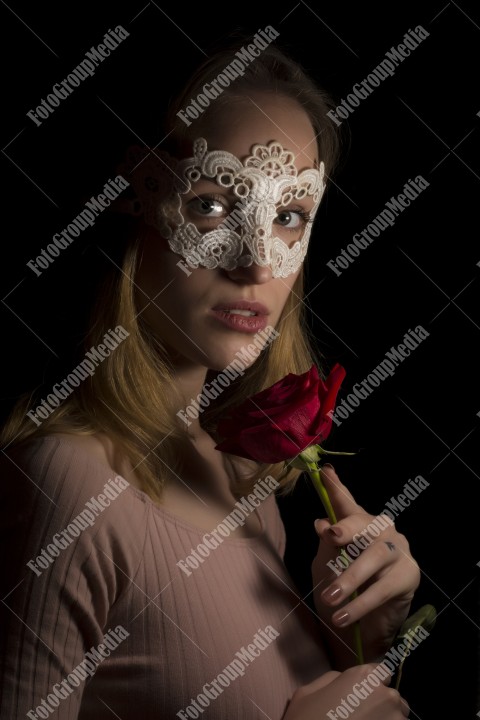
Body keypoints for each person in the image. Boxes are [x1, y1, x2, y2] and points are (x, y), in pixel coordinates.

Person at [0, 35, 419, 719]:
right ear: (135, 193)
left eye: (288, 216)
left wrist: (363, 633)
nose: (257, 263)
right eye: (212, 205)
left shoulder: (240, 475)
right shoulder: (67, 483)